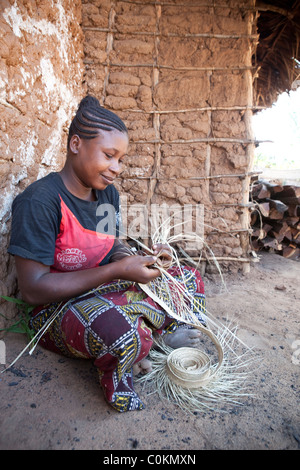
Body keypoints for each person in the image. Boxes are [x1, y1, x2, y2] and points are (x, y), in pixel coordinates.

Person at [8, 96, 206, 412]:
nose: (116, 168)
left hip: (102, 291)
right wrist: (117, 272)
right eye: (109, 156)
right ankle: (148, 342)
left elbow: (111, 245)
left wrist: (140, 261)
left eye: (121, 159)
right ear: (76, 144)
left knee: (187, 278)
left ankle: (147, 339)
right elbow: (33, 290)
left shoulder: (106, 194)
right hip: (56, 310)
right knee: (120, 331)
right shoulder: (40, 202)